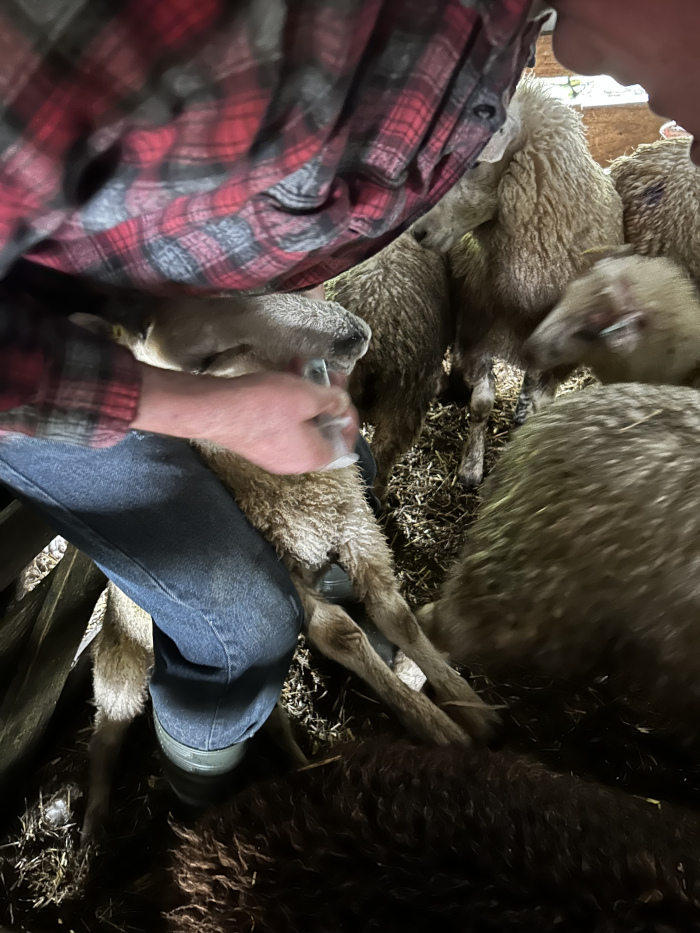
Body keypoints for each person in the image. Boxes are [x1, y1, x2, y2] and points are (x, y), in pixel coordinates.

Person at [0, 0, 697, 805]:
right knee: (244, 623)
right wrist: (202, 408)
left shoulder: (498, 54)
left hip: (169, 319)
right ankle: (202, 801)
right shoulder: (256, 21)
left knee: (354, 466)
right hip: (47, 365)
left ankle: (362, 638)